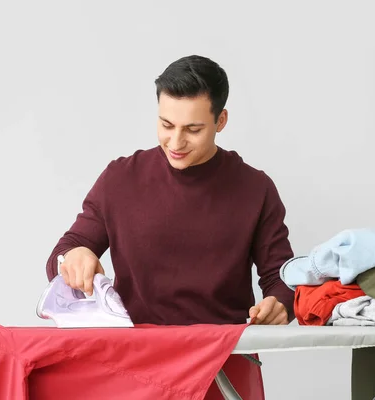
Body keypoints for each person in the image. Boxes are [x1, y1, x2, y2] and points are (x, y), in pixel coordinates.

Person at [46, 55, 296, 399]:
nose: (176, 143)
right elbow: (65, 251)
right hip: (136, 364)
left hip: (223, 363)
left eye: (193, 130)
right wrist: (75, 256)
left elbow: (283, 277)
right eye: (166, 125)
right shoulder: (121, 178)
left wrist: (280, 303)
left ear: (220, 120)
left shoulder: (256, 188)